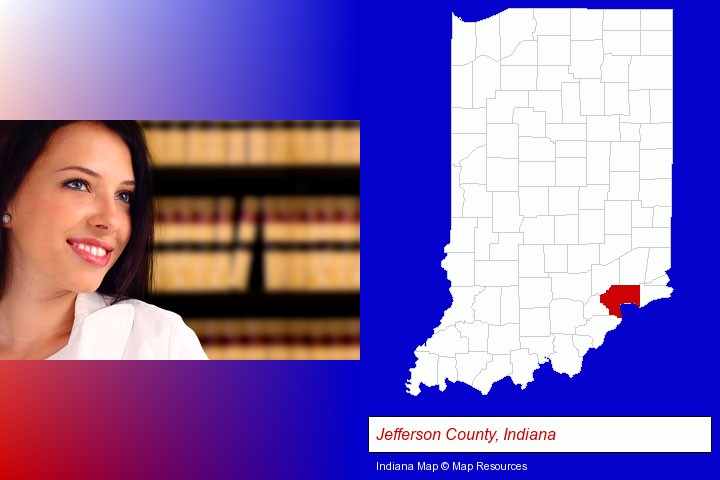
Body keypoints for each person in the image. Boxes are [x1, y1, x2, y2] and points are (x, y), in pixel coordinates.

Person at [0, 121, 207, 359]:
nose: (111, 220)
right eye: (78, 184)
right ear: (7, 197)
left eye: (124, 196)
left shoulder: (160, 345)